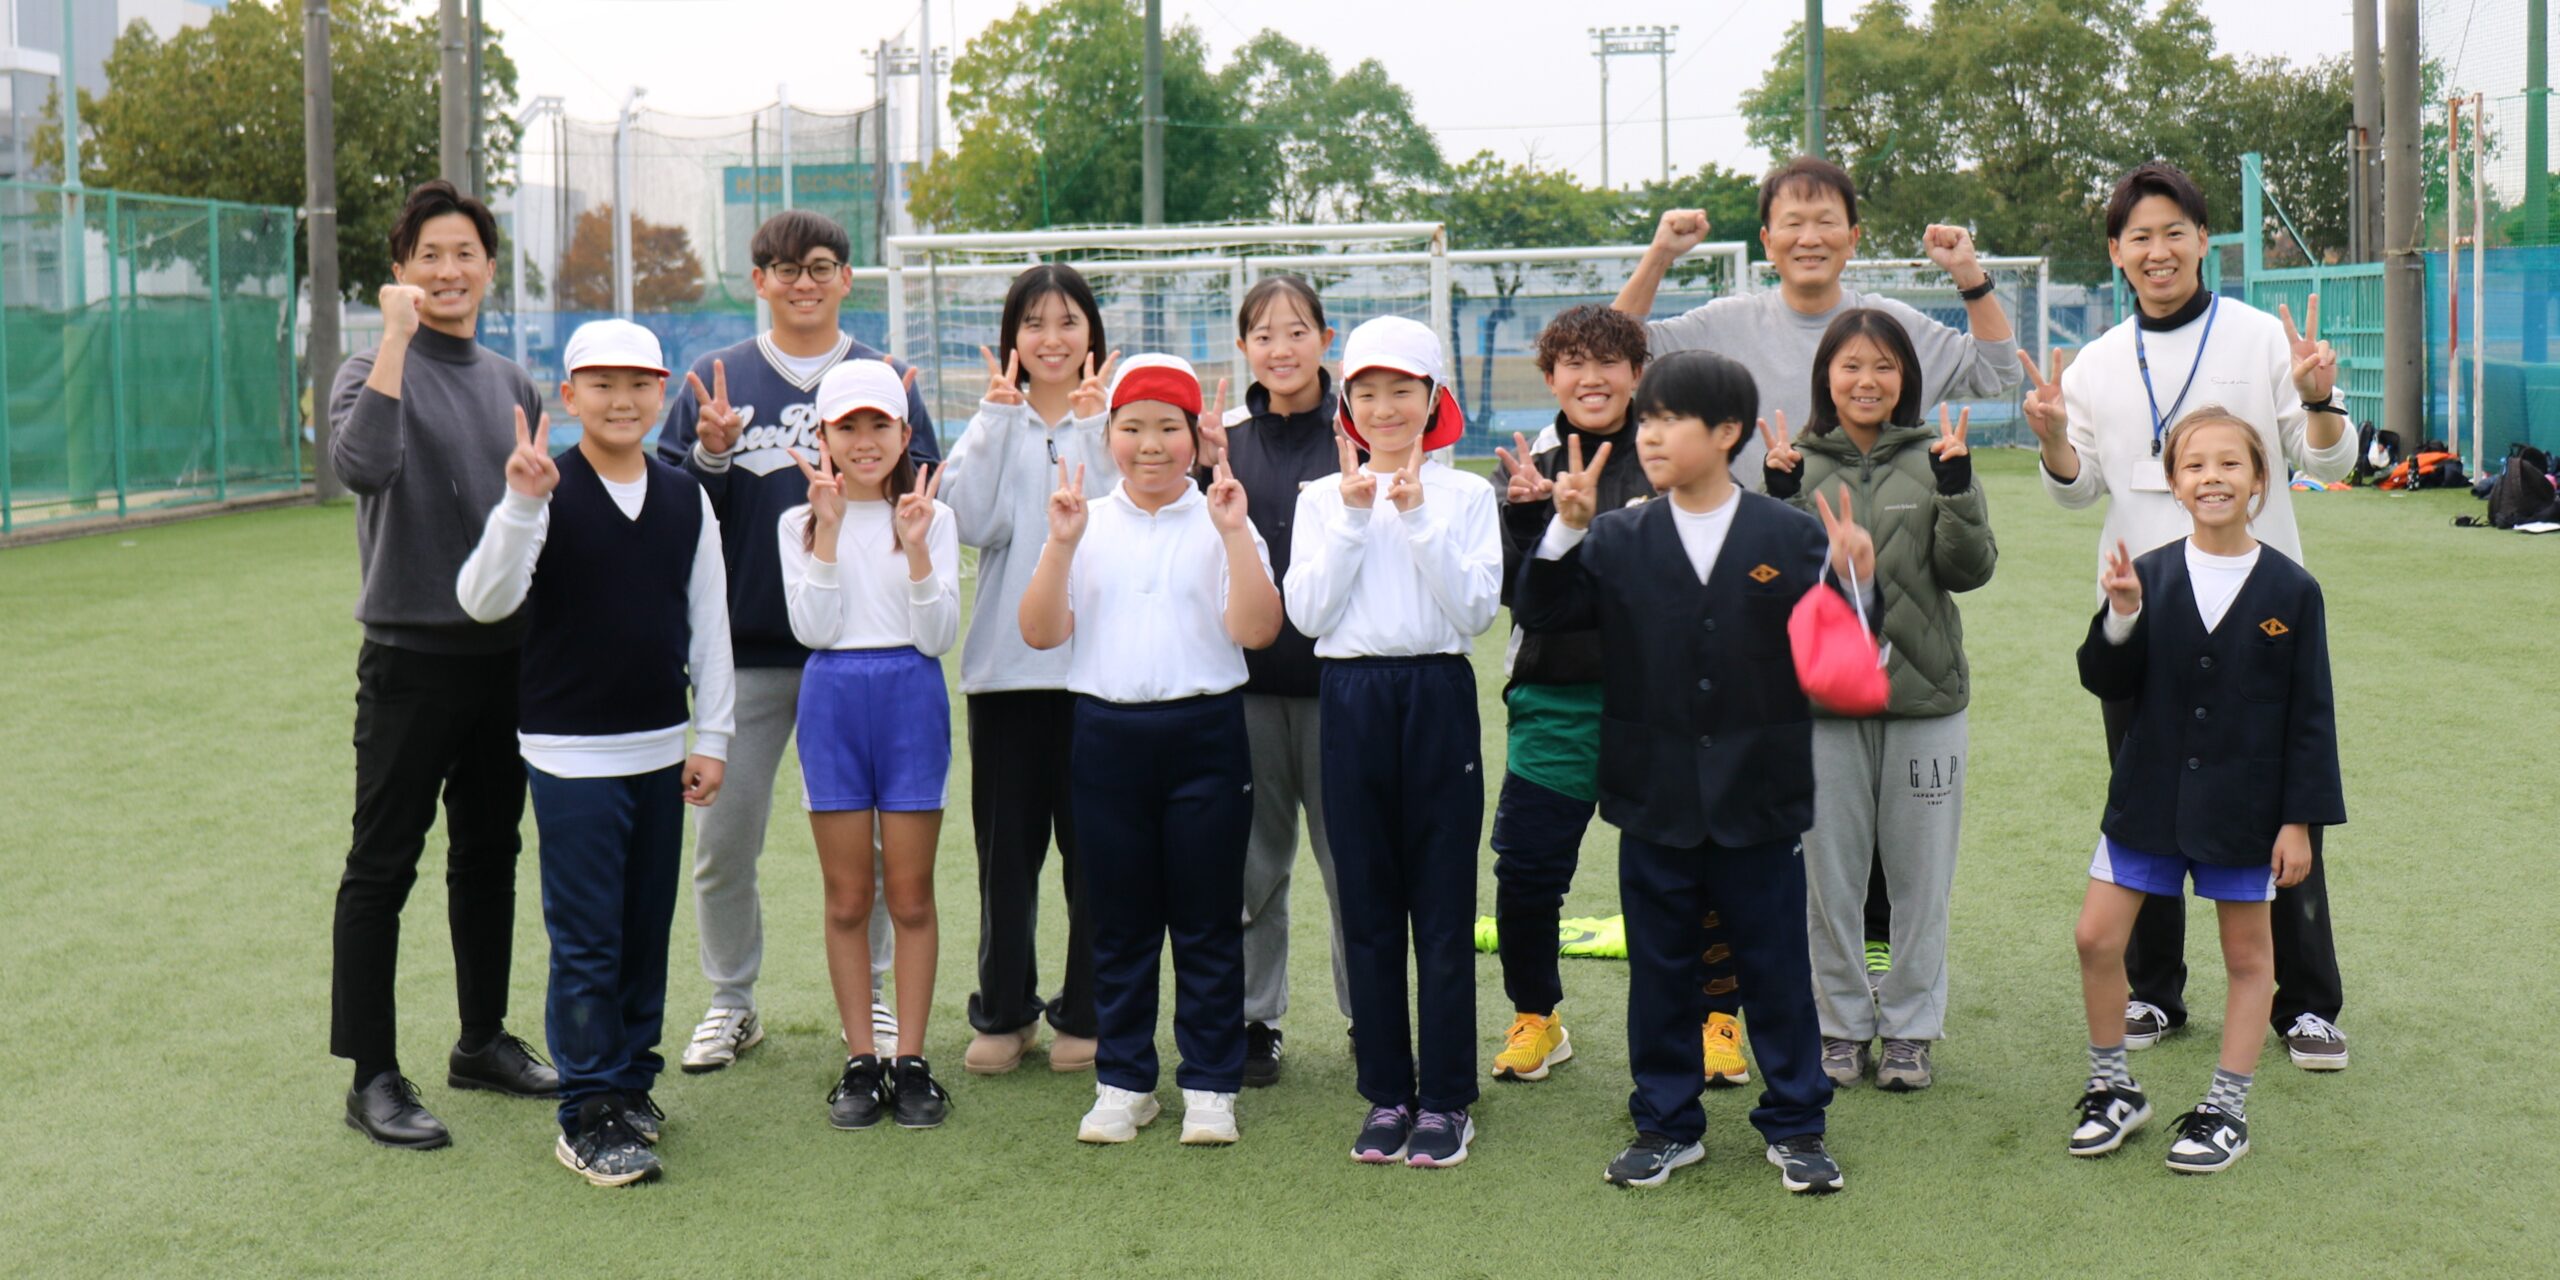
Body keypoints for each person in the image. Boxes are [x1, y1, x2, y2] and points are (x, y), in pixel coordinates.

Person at [1614, 155, 2018, 985]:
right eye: (1790, 222)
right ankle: (1740, 994)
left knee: (1865, 806)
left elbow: (2000, 374)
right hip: (1739, 590)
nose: (1809, 236)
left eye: (1825, 219)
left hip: (1877, 592)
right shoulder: (1728, 321)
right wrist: (1658, 256)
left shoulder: (1886, 330)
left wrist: (1971, 277)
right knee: (1750, 796)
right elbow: (1616, 355)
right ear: (1766, 239)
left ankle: (1874, 992)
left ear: (1853, 236)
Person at [1516, 349, 1873, 1195]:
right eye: (1647, 419)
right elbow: (1544, 611)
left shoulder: (1790, 536)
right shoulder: (1616, 535)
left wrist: (1855, 577)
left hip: (1762, 797)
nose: (1650, 435)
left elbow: (1844, 661)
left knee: (1777, 968)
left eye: (1669, 418)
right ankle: (1667, 1124)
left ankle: (1797, 1125)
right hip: (1653, 796)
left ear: (1727, 434)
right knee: (1662, 971)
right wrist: (1563, 528)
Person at [2026, 160, 2358, 1070]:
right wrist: (2054, 437)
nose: (2159, 250)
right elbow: (2075, 489)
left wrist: (2320, 397)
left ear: (2204, 241)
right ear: (2116, 254)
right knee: (2147, 798)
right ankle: (2154, 992)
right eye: (2140, 236)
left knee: (2280, 801)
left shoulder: (2259, 339)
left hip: (2259, 613)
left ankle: (2307, 1002)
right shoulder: (2095, 363)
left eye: (2175, 231)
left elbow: (2328, 465)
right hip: (2148, 616)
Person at [656, 210, 939, 1074]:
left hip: (862, 656)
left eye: (820, 266)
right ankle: (733, 1001)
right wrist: (708, 456)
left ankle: (879, 1003)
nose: (802, 282)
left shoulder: (884, 377)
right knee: (724, 843)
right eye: (783, 268)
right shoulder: (717, 377)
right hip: (745, 652)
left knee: (884, 854)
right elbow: (665, 509)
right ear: (759, 282)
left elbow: (920, 493)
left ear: (847, 278)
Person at [454, 320, 734, 1186]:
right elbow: (483, 600)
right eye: (600, 386)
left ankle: (628, 1083)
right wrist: (519, 504)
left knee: (644, 930)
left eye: (640, 384)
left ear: (664, 395)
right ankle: (586, 1112)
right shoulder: (544, 488)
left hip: (658, 750)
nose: (623, 401)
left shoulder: (687, 495)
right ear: (566, 398)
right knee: (586, 941)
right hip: (570, 755)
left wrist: (712, 736)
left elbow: (710, 623)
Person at [327, 179, 558, 1150]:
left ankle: (481, 1039)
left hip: (506, 660)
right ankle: (372, 1072)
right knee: (382, 865)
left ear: (489, 268)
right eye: (429, 255)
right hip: (408, 661)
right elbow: (363, 467)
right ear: (401, 272)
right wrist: (392, 340)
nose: (448, 270)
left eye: (464, 253)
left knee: (489, 855)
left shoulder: (514, 383)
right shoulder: (364, 369)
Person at [2066, 407, 2345, 1174]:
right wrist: (2121, 617)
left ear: (2261, 480)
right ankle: (2112, 1087)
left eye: (2231, 463)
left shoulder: (2292, 589)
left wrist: (2299, 823)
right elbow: (2104, 678)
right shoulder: (2147, 575)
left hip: (2245, 808)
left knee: (2250, 956)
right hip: (2148, 797)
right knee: (2095, 937)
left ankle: (2226, 1108)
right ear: (2173, 482)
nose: (2212, 477)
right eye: (2195, 466)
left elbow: (2310, 716)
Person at [1486, 305, 1751, 1088]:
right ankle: (1538, 1016)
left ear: (1638, 372)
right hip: (1556, 701)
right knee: (1527, 872)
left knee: (1699, 869)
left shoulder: (1675, 443)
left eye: (1608, 362)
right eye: (1571, 362)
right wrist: (1532, 518)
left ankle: (1717, 1019)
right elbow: (1516, 593)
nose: (1590, 377)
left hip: (1666, 703)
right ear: (1549, 377)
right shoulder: (1523, 462)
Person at [1019, 355, 1282, 1146]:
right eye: (1133, 428)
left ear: (1196, 437)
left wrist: (1234, 532)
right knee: (1121, 921)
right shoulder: (1082, 518)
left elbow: (1256, 630)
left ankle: (1209, 1083)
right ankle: (1124, 1080)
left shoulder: (1225, 515)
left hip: (1206, 734)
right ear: (1110, 436)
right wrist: (1060, 544)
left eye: (1169, 427)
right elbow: (1039, 632)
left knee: (1206, 918)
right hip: (1106, 735)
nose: (1152, 445)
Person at [1283, 316, 1503, 1169]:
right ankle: (1386, 1093)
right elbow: (1308, 616)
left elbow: (1475, 613)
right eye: (1366, 392)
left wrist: (1415, 518)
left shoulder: (1466, 496)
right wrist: (1351, 516)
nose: (1383, 408)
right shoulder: (1316, 497)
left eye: (1401, 391)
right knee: (1366, 904)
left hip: (1437, 694)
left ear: (1433, 399)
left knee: (1442, 904)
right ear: (1346, 403)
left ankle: (1445, 1098)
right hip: (1350, 697)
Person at [1761, 310, 1996, 1093]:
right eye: (1852, 366)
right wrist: (1782, 497)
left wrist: (1959, 490)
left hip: (1924, 702)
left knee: (1920, 879)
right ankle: (1838, 1026)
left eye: (1885, 367)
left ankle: (1909, 1032)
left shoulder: (1938, 458)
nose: (1868, 381)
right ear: (1826, 375)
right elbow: (1778, 588)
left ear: (1908, 379)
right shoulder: (1797, 462)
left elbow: (1969, 571)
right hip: (1822, 706)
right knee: (1830, 879)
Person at [937, 265, 1116, 1075]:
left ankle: (1087, 1012)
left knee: (1095, 857)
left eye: (1068, 322)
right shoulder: (994, 420)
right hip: (1007, 680)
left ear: (1092, 336)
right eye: (1035, 323)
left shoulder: (1113, 421)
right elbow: (971, 522)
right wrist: (994, 418)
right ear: (1012, 339)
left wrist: (1091, 427)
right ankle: (1004, 1012)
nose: (1052, 339)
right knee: (1006, 859)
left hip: (1099, 678)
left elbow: (1121, 521)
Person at [778, 360, 961, 1131]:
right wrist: (824, 528)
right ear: (822, 435)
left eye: (878, 425)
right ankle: (861, 1057)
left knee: (912, 895)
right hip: (833, 702)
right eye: (846, 426)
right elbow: (812, 630)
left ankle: (911, 1059)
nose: (862, 441)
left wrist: (915, 546)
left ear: (904, 433)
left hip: (911, 699)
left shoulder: (932, 515)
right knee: (850, 896)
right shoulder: (797, 521)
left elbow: (937, 635)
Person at [1216, 275, 1354, 1086]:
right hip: (1247, 689)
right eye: (1264, 336)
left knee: (1350, 863)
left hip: (1342, 687)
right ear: (1244, 350)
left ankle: (1366, 1014)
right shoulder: (1224, 443)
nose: (1282, 349)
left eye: (1297, 331)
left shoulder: (1357, 432)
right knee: (1253, 864)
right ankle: (1253, 1019)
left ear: (1324, 340)